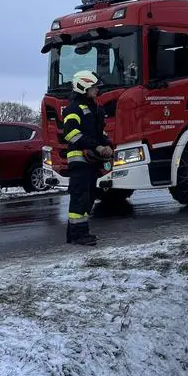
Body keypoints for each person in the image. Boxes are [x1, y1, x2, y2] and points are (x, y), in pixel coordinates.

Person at [62, 70, 113, 246]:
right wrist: (94, 146)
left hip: (92, 161)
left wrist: (107, 145)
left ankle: (75, 234)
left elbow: (100, 133)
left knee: (88, 197)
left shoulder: (96, 109)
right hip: (79, 160)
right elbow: (70, 134)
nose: (97, 90)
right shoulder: (73, 108)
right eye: (93, 87)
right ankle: (78, 235)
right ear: (83, 87)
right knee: (80, 197)